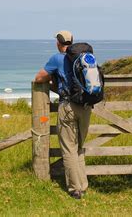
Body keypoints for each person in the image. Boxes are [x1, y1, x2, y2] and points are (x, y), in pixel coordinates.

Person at [34, 30, 91, 199]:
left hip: (68, 107)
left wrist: (53, 83)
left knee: (68, 148)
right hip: (86, 106)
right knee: (79, 146)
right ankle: (83, 184)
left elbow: (39, 78)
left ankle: (75, 189)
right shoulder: (83, 57)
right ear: (72, 41)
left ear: (58, 43)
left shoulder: (57, 58)